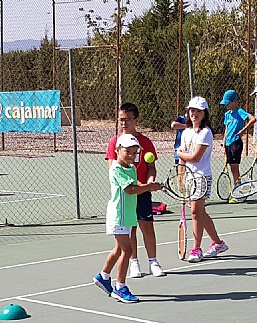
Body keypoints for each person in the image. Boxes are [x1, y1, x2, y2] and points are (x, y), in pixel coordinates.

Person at [93, 134, 162, 303]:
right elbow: (130, 189)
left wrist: (151, 185)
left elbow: (137, 183)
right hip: (119, 215)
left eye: (134, 153)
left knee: (118, 250)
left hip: (128, 215)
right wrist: (148, 187)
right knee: (127, 250)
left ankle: (103, 276)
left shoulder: (130, 168)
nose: (131, 156)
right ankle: (120, 287)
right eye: (127, 152)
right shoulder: (115, 169)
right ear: (117, 150)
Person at [105, 102, 165, 278]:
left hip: (143, 191)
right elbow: (113, 169)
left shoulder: (145, 142)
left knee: (147, 227)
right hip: (126, 195)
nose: (124, 123)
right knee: (130, 230)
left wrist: (150, 182)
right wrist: (140, 186)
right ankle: (133, 263)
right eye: (121, 120)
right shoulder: (115, 143)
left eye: (128, 120)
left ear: (136, 121)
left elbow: (151, 167)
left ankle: (153, 262)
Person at [177, 96, 229, 261]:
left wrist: (179, 153)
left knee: (195, 212)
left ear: (204, 113)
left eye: (198, 111)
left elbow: (195, 157)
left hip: (202, 177)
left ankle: (196, 249)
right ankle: (218, 243)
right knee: (200, 212)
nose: (194, 114)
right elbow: (183, 160)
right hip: (190, 177)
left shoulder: (206, 133)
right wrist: (181, 177)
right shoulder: (186, 132)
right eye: (192, 110)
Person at [220, 89, 256, 203]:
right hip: (228, 144)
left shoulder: (240, 111)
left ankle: (237, 192)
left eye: (228, 102)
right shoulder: (227, 114)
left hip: (236, 143)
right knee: (232, 168)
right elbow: (226, 129)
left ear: (234, 101)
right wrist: (224, 141)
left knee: (235, 168)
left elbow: (252, 119)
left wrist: (242, 131)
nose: (226, 105)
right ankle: (237, 190)